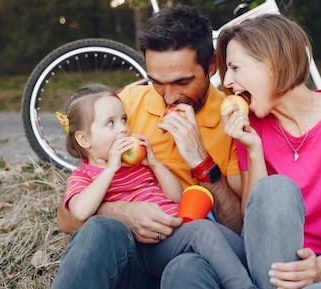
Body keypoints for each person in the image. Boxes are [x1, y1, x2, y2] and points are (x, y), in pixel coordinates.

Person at [51, 4, 244, 289]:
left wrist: (202, 162)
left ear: (213, 66)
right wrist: (122, 213)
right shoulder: (122, 108)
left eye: (182, 81)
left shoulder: (233, 121)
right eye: (156, 82)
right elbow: (68, 219)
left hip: (187, 253)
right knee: (103, 228)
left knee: (187, 268)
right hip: (130, 260)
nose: (169, 96)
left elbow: (237, 230)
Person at [216, 14, 321, 289]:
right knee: (275, 189)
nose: (227, 81)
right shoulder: (251, 128)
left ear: (271, 64)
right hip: (273, 272)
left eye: (235, 68)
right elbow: (256, 223)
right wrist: (254, 152)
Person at [54, 83, 256, 289]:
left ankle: (248, 264)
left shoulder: (138, 167)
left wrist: (154, 163)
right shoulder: (84, 176)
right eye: (110, 124)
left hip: (171, 240)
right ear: (84, 139)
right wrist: (111, 168)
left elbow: (177, 197)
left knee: (202, 238)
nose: (123, 128)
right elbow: (80, 212)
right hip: (146, 247)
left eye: (124, 119)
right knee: (202, 230)